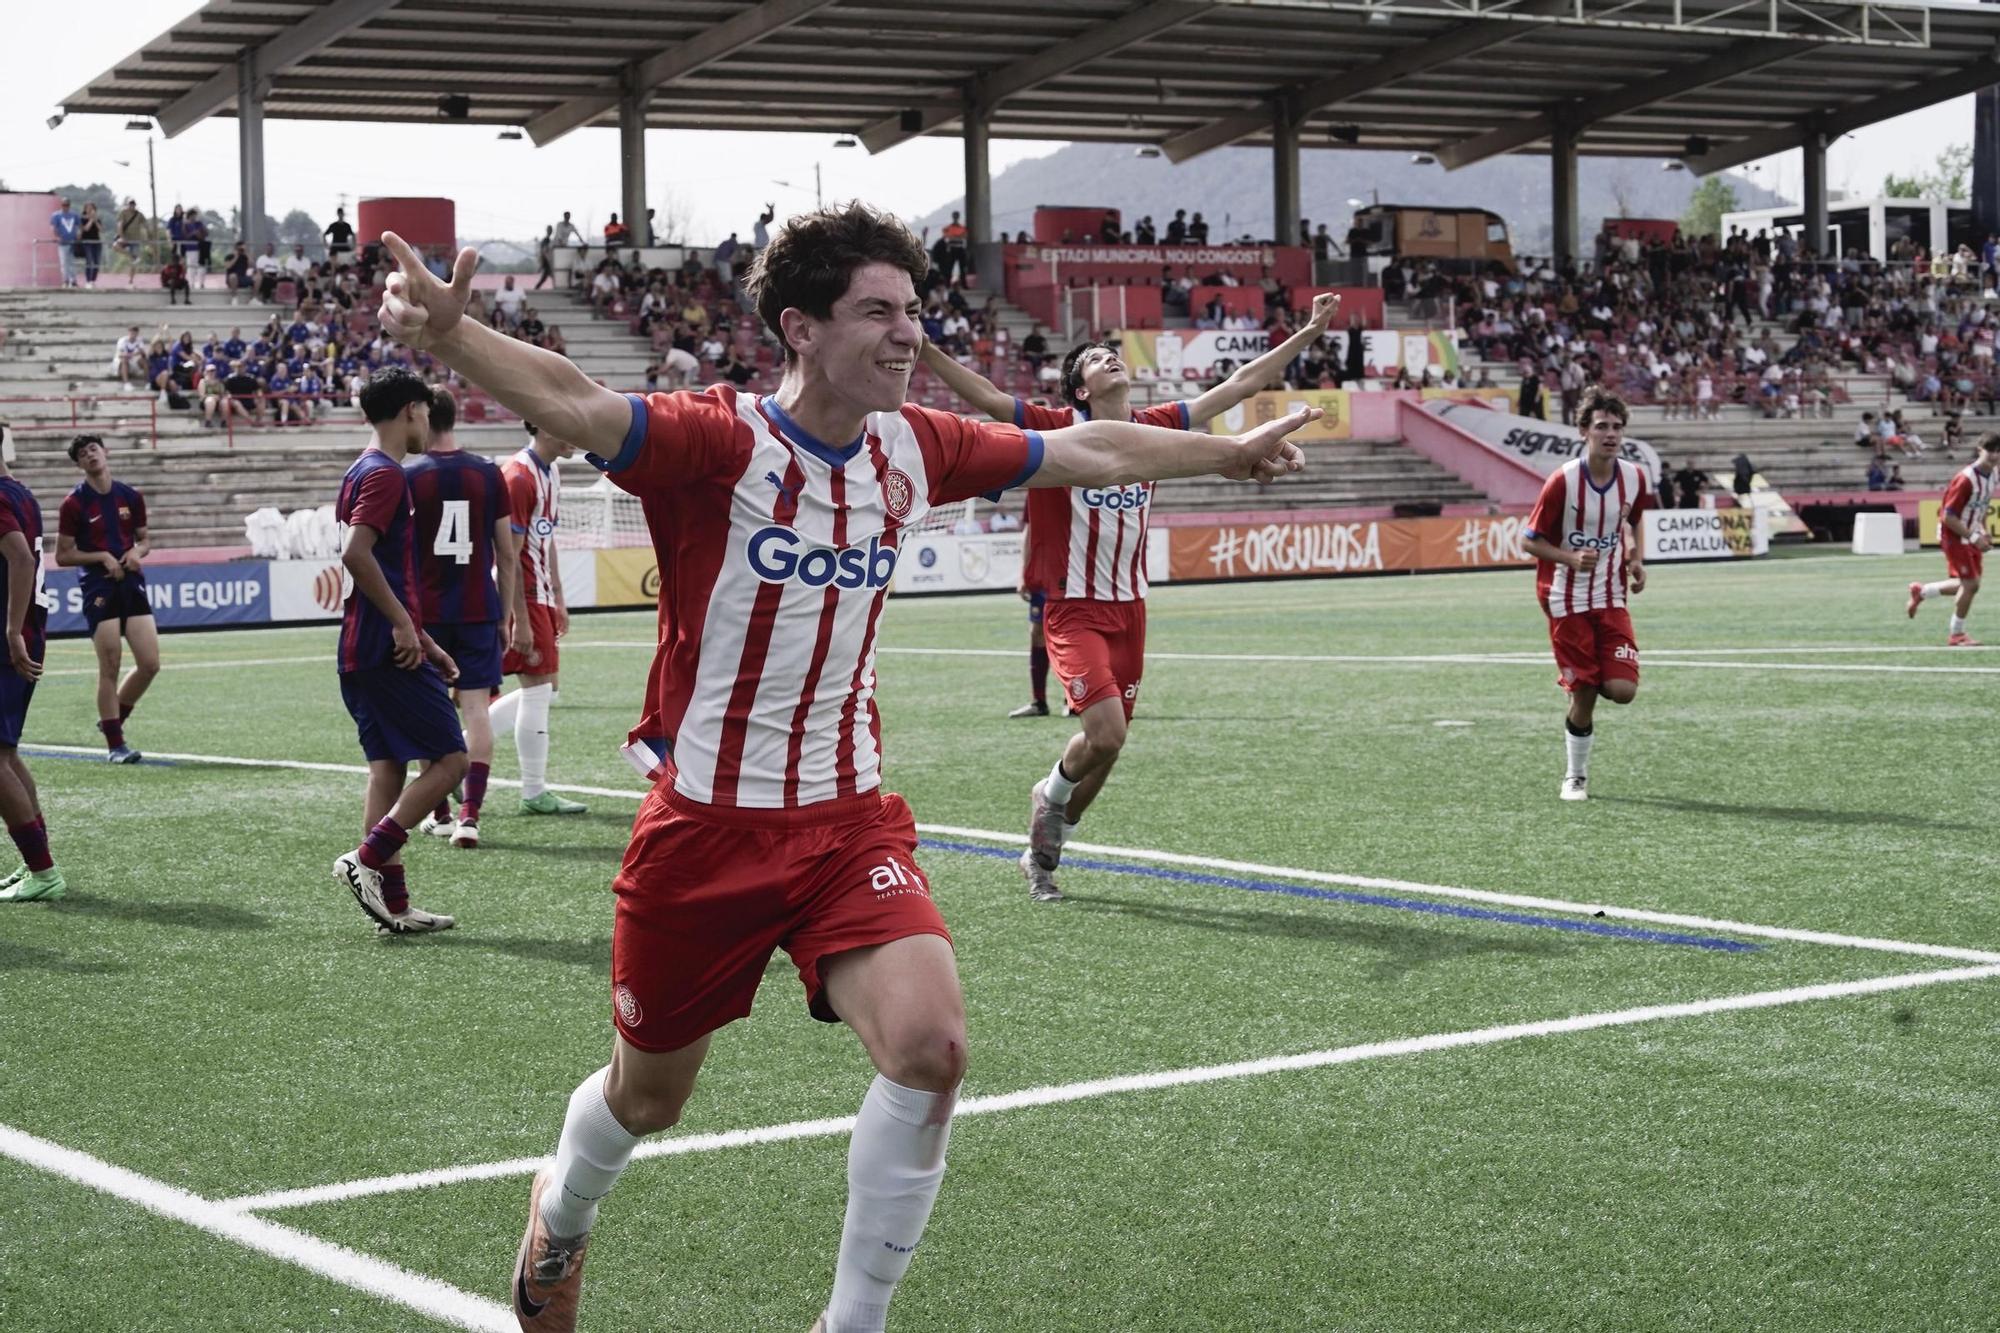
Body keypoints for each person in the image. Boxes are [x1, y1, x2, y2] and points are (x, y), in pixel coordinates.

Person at [371, 201, 1310, 1333]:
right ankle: (559, 1217)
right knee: (648, 1096)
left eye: (913, 311)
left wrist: (1225, 448)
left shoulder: (917, 444)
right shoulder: (717, 441)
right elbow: (574, 399)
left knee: (932, 1048)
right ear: (798, 328)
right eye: (877, 311)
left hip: (848, 820)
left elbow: (1086, 448)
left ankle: (849, 1324)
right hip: (703, 830)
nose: (907, 334)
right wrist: (450, 338)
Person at [919, 290, 1343, 901]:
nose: (1110, 357)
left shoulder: (1158, 428)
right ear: (1081, 390)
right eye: (1095, 357)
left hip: (1131, 608)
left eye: (1112, 352)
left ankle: (1047, 832)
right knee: (1109, 734)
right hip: (1073, 606)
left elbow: (1244, 382)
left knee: (1107, 749)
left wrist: (1309, 331)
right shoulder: (1053, 428)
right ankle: (1050, 800)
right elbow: (986, 399)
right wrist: (927, 347)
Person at [328, 366, 468, 933]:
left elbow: (371, 564)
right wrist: (406, 631)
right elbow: (357, 555)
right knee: (452, 759)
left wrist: (424, 637)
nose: (429, 425)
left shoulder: (360, 470)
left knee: (386, 769)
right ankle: (365, 859)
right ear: (411, 408)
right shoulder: (386, 475)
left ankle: (395, 904)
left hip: (363, 647)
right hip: (385, 649)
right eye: (426, 413)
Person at [1520, 386, 1651, 801]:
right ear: (1583, 431)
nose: (1610, 434)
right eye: (1601, 427)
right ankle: (1575, 776)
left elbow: (1633, 519)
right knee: (1585, 695)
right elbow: (1528, 541)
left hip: (1611, 596)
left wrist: (1634, 558)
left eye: (1617, 427)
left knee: (1622, 691)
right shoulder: (1563, 481)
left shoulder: (1634, 476)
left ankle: (1594, 678)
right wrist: (1568, 558)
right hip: (1565, 598)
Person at [406, 388, 522, 848]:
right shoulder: (488, 473)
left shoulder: (410, 476)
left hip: (428, 614)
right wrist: (506, 611)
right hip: (477, 606)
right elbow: (506, 554)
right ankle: (470, 815)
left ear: (423, 417)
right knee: (476, 710)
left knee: (426, 710)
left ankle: (439, 812)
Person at [485, 422, 588, 817]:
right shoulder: (519, 477)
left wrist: (559, 597)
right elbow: (506, 555)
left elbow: (546, 539)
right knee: (538, 691)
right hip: (524, 598)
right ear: (541, 426)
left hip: (542, 596)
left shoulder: (551, 471)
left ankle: (462, 752)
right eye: (563, 423)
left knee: (545, 690)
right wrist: (519, 618)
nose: (574, 432)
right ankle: (531, 789)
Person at [54, 435, 158, 763]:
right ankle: (116, 745)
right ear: (80, 464)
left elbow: (144, 541)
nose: (90, 456)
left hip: (131, 582)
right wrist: (102, 556)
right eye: (83, 454)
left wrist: (136, 553)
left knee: (150, 664)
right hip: (98, 589)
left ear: (105, 453)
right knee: (110, 664)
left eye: (93, 449)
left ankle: (113, 722)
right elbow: (62, 555)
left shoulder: (131, 496)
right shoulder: (73, 504)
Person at [0, 429, 61, 904]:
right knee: (6, 754)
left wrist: (12, 630)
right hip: (28, 633)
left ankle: (42, 870)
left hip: (12, 639)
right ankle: (35, 864)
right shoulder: (22, 492)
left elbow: (19, 557)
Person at [1908, 432, 1998, 646]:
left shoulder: (1993, 473)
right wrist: (1975, 536)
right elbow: (1948, 516)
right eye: (1991, 450)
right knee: (1971, 584)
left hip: (1970, 533)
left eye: (1998, 451)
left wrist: (1983, 530)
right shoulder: (1966, 479)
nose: (1995, 455)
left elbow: (1982, 505)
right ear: (1979, 450)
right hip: (1954, 535)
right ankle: (1956, 634)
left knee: (1967, 584)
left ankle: (1922, 592)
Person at [50, 197, 80, 288]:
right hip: (62, 242)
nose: (65, 207)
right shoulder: (56, 215)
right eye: (63, 205)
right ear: (61, 205)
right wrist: (57, 237)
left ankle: (73, 280)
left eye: (67, 205)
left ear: (69, 205)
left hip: (73, 242)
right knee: (64, 262)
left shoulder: (74, 215)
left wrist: (79, 235)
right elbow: (53, 227)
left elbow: (78, 226)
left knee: (71, 262)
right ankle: (65, 280)